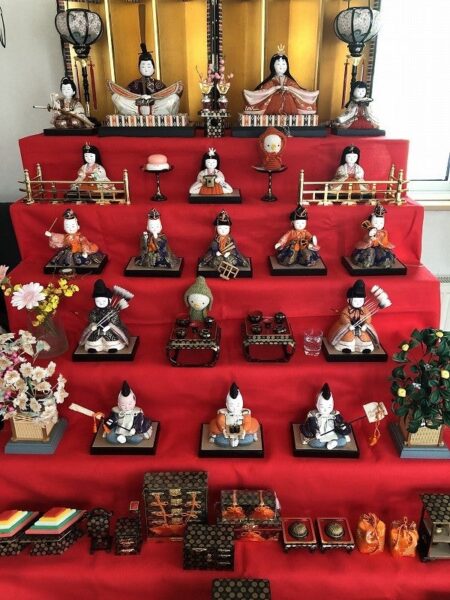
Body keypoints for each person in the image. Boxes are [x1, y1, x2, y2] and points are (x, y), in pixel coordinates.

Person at [107, 43, 182, 116]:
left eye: (149, 66)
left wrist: (152, 98)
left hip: (156, 108)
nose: (146, 69)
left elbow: (166, 96)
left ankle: (155, 113)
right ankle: (137, 113)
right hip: (135, 109)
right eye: (143, 66)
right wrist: (140, 98)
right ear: (139, 68)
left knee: (174, 97)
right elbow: (127, 97)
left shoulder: (158, 84)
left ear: (154, 68)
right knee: (116, 97)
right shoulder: (134, 84)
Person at [243, 47, 319, 115]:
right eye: (278, 64)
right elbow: (263, 91)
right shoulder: (272, 81)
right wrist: (274, 89)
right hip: (272, 106)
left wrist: (289, 88)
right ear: (273, 66)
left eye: (283, 64)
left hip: (290, 107)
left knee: (288, 96)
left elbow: (298, 91)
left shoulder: (289, 81)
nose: (281, 67)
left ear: (287, 66)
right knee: (276, 97)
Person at [327, 279, 378, 353]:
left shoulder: (365, 310)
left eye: (360, 301)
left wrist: (365, 325)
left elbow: (368, 317)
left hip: (362, 328)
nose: (358, 303)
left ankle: (364, 347)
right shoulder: (346, 310)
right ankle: (346, 347)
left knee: (365, 336)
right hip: (349, 327)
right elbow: (344, 317)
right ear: (349, 300)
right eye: (355, 301)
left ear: (364, 300)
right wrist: (348, 324)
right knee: (348, 336)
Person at [82, 279, 129, 353]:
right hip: (97, 328)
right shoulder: (94, 311)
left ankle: (111, 347)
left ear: (109, 300)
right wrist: (93, 325)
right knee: (93, 338)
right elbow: (92, 319)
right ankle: (94, 347)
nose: (101, 303)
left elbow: (115, 321)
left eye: (104, 301)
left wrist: (109, 326)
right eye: (98, 301)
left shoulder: (112, 311)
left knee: (110, 337)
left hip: (109, 329)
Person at [300, 383, 351, 450]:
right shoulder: (313, 415)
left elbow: (340, 423)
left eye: (329, 406)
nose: (326, 409)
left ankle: (332, 443)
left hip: (332, 434)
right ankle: (330, 443)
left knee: (343, 441)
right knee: (317, 443)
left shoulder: (334, 414)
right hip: (319, 436)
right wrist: (316, 432)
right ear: (316, 404)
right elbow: (311, 426)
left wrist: (342, 427)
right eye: (322, 406)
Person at [209, 382, 260, 448]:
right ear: (227, 404)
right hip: (226, 429)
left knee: (248, 439)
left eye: (238, 405)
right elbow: (220, 421)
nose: (235, 408)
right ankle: (213, 436)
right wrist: (223, 429)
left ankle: (253, 435)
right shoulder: (223, 412)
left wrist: (244, 430)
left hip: (241, 429)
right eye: (231, 405)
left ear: (242, 403)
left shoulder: (245, 412)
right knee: (220, 439)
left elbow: (247, 422)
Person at [104, 381, 152, 445]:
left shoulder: (137, 412)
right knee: (110, 437)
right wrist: (107, 423)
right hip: (118, 429)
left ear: (134, 402)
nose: (127, 407)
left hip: (131, 431)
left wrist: (134, 429)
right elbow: (111, 420)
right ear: (118, 404)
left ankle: (124, 438)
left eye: (130, 404)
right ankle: (120, 438)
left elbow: (139, 422)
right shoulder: (115, 411)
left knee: (137, 439)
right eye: (123, 405)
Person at [351, 204, 396, 269]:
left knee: (385, 255)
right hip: (369, 247)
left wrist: (380, 240)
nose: (378, 225)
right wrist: (370, 238)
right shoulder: (369, 231)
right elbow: (365, 240)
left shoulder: (383, 232)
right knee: (369, 253)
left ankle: (383, 263)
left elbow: (384, 242)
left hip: (379, 247)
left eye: (381, 223)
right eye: (376, 223)